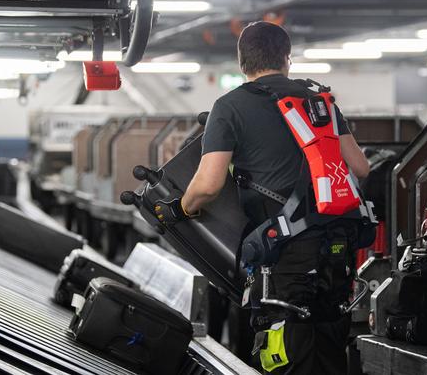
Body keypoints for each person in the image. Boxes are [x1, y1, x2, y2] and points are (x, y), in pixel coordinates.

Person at [154, 21, 370, 374]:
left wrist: (181, 207)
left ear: (242, 62)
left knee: (283, 349)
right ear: (287, 59)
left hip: (284, 255)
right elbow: (360, 167)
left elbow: (208, 185)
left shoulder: (230, 106)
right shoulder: (320, 101)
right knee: (329, 342)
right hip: (337, 248)